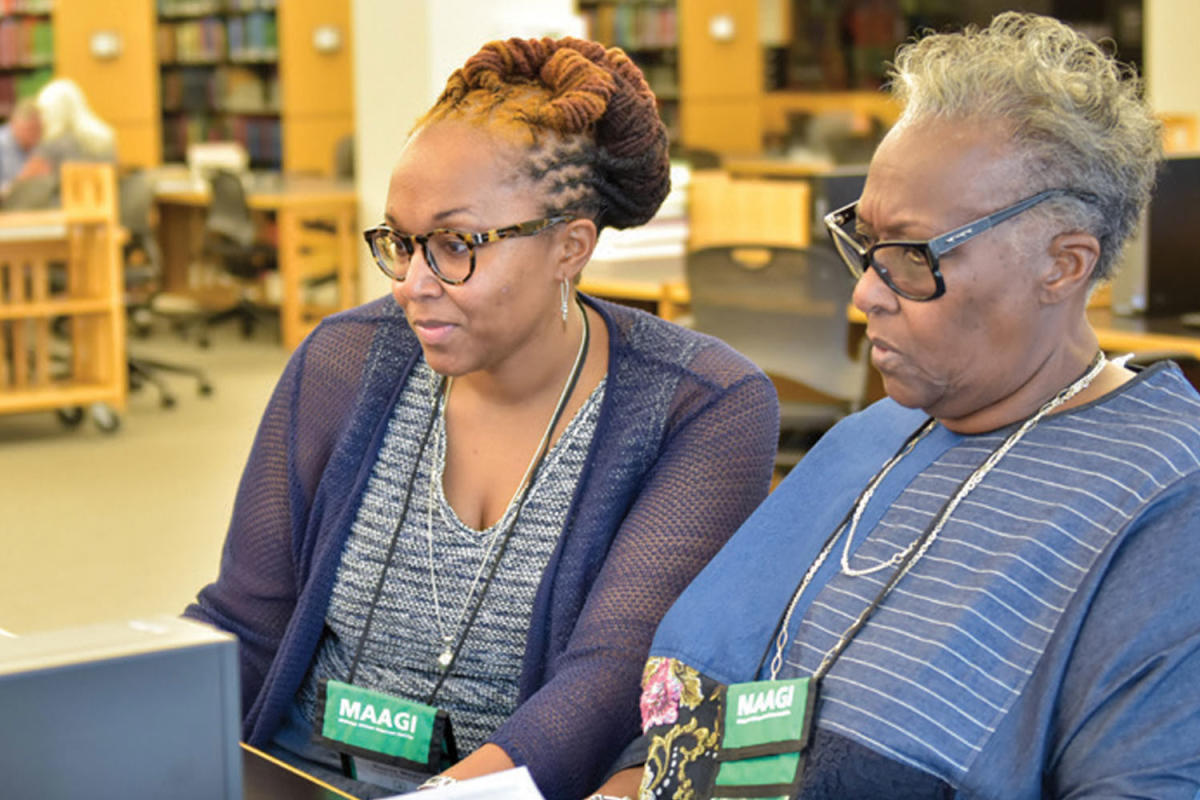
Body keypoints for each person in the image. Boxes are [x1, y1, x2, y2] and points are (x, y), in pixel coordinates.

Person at [594, 12, 1200, 799]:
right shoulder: (868, 439)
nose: (862, 295)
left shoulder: (1164, 500)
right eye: (864, 243)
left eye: (911, 257)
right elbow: (672, 729)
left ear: (1064, 264)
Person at [184, 36, 779, 800]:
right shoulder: (344, 360)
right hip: (297, 772)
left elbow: (607, 680)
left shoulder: (702, 405)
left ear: (570, 246)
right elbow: (245, 619)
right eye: (399, 241)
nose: (412, 283)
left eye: (457, 245)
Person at [0, 99, 42, 195]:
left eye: (39, 129)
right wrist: (21, 181)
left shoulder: (36, 147)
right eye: (30, 129)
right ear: (13, 124)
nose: (35, 135)